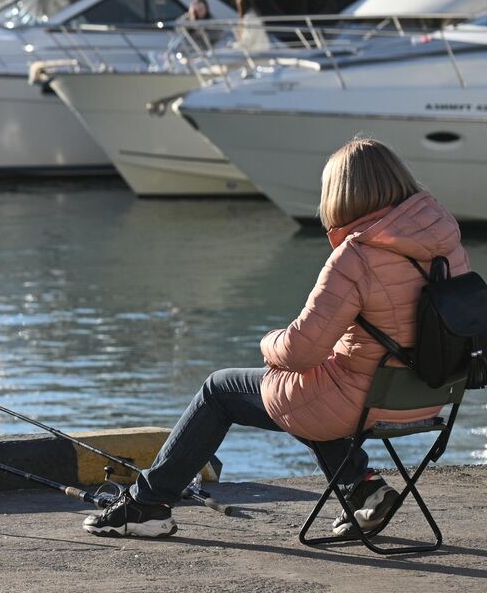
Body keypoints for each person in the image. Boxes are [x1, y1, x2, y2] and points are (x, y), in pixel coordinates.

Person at [82, 138, 470, 539]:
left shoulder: (356, 257)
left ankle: (147, 504)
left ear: (340, 194)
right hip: (429, 394)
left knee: (220, 390)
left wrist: (269, 341)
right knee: (313, 386)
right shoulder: (447, 243)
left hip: (361, 402)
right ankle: (361, 489)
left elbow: (300, 351)